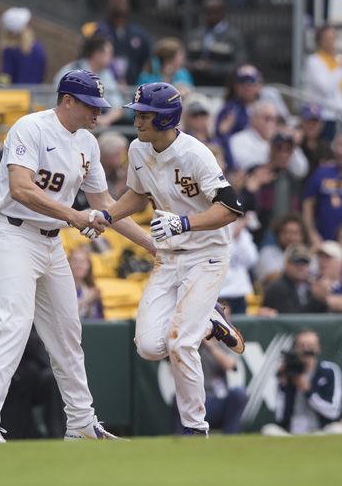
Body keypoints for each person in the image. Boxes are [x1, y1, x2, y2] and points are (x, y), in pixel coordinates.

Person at [0, 69, 155, 443]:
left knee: (68, 332)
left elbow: (105, 205)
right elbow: (20, 188)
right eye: (90, 105)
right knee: (14, 323)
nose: (97, 113)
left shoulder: (88, 142)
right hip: (12, 234)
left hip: (50, 242)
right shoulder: (30, 128)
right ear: (67, 100)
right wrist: (74, 215)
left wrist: (151, 244)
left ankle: (82, 423)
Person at [90, 81, 246, 435]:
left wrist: (184, 222)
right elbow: (136, 195)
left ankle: (195, 428)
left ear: (165, 119)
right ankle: (210, 320)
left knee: (180, 343)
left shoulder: (196, 154)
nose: (138, 120)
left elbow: (232, 209)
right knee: (147, 346)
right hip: (168, 256)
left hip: (207, 254)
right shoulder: (138, 149)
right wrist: (108, 216)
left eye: (145, 115)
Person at [262, 330, 342, 436]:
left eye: (310, 346)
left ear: (318, 348)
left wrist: (308, 391)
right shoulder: (288, 371)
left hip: (320, 432)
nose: (306, 350)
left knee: (338, 430)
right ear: (295, 349)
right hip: (290, 433)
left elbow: (333, 412)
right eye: (302, 346)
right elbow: (279, 416)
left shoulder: (329, 371)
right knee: (268, 430)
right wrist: (284, 386)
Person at [215, 64, 289, 168]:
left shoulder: (268, 103)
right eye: (242, 83)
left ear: (259, 84)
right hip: (242, 157)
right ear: (236, 86)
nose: (247, 87)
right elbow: (221, 137)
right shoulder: (230, 109)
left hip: (269, 152)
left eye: (251, 82)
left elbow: (284, 126)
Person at [238, 132, 305, 246]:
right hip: (259, 234)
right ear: (271, 149)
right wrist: (253, 186)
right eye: (279, 148)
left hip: (285, 236)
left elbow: (297, 211)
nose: (283, 154)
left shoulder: (292, 179)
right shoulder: (256, 171)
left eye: (288, 149)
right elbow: (240, 204)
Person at [303, 25, 342, 140]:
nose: (332, 42)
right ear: (320, 41)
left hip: (340, 115)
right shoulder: (314, 61)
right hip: (323, 116)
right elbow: (325, 88)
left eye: (334, 38)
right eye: (328, 38)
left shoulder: (338, 60)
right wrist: (340, 67)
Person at [83, 0, 151, 85]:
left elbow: (147, 62)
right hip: (104, 87)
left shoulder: (139, 34)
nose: (117, 6)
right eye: (114, 2)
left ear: (128, 5)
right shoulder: (98, 31)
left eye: (120, 2)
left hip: (132, 88)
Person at [54, 34, 124, 128]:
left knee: (117, 142)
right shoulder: (71, 71)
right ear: (97, 54)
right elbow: (56, 104)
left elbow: (118, 107)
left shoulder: (106, 73)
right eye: (109, 53)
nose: (111, 57)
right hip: (69, 124)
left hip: (98, 126)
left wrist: (104, 120)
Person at [229, 101, 308, 177]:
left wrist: (291, 144)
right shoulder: (239, 139)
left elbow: (301, 170)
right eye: (267, 118)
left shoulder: (279, 139)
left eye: (275, 119)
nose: (272, 123)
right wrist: (275, 158)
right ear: (254, 118)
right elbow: (247, 166)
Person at [185, 0, 246, 86]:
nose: (210, 16)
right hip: (196, 84)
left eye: (214, 12)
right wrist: (196, 65)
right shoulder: (194, 34)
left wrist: (213, 68)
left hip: (223, 85)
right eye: (207, 12)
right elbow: (184, 59)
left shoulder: (233, 36)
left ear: (222, 12)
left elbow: (239, 64)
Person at [262, 244, 327, 314]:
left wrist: (324, 300)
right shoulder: (277, 288)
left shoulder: (311, 286)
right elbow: (291, 319)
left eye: (305, 262)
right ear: (286, 264)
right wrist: (316, 299)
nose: (301, 267)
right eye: (296, 262)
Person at [218, 215, 258, 315]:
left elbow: (252, 260)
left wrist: (238, 236)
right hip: (219, 292)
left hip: (239, 292)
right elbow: (219, 256)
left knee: (240, 327)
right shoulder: (215, 229)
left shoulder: (243, 233)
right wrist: (233, 235)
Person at [256, 213, 309, 286]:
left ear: (303, 236)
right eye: (286, 232)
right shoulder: (267, 252)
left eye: (295, 233)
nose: (291, 237)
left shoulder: (309, 254)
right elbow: (269, 279)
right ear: (278, 234)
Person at [0, 7, 47, 85]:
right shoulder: (38, 48)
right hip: (36, 94)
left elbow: (5, 79)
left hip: (16, 95)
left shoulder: (9, 51)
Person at [298, 103, 333, 178]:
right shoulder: (295, 142)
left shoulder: (325, 146)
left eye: (315, 122)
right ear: (302, 122)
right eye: (308, 122)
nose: (311, 126)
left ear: (321, 124)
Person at [69, 247, 103, 321]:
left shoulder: (93, 291)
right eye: (75, 261)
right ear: (68, 264)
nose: (78, 265)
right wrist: (85, 301)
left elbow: (98, 321)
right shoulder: (61, 290)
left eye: (82, 261)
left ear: (88, 266)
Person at [97, 131, 128, 200]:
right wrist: (121, 185)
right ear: (107, 156)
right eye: (120, 154)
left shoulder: (119, 171)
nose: (124, 157)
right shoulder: (96, 172)